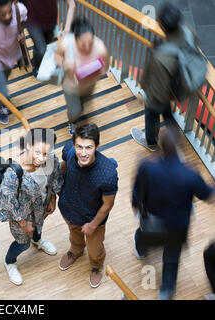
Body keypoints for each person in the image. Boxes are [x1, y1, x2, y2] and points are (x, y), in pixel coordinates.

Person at [132, 128, 214, 300]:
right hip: (177, 225)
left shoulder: (147, 167)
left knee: (145, 235)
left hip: (152, 219)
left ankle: (141, 249)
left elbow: (136, 192)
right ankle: (166, 291)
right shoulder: (190, 174)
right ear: (179, 149)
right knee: (171, 257)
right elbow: (207, 195)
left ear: (162, 147)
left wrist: (137, 209)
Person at [0, 128, 63, 286]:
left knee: (39, 228)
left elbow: (54, 176)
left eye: (45, 154)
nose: (41, 158)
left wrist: (53, 198)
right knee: (23, 243)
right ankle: (10, 262)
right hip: (21, 216)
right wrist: (23, 223)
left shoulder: (51, 158)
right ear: (27, 145)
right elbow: (7, 202)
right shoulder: (13, 173)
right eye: (37, 152)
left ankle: (38, 240)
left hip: (41, 207)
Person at [58, 123, 118, 288]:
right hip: (70, 209)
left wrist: (92, 225)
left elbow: (108, 204)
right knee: (74, 235)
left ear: (97, 147)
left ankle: (96, 266)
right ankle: (75, 250)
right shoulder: (69, 151)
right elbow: (63, 167)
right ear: (74, 144)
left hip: (92, 219)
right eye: (79, 147)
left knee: (95, 249)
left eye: (88, 148)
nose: (83, 153)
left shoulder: (107, 174)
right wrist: (60, 189)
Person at [131, 2, 192, 151]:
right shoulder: (184, 37)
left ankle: (151, 141)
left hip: (159, 93)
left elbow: (156, 86)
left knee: (152, 115)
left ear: (162, 25)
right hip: (173, 89)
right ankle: (174, 135)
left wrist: (146, 94)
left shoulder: (161, 54)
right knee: (167, 112)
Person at [55, 8, 109, 137]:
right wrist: (65, 66)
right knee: (75, 110)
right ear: (75, 38)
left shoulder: (100, 47)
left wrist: (95, 70)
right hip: (71, 86)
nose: (87, 46)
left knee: (84, 106)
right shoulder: (66, 44)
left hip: (89, 85)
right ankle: (72, 122)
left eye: (90, 42)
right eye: (82, 43)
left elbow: (105, 68)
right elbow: (57, 57)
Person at [24, 0, 74, 72]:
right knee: (42, 50)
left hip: (50, 22)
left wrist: (67, 28)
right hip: (33, 22)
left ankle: (37, 58)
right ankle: (37, 67)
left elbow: (72, 4)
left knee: (44, 45)